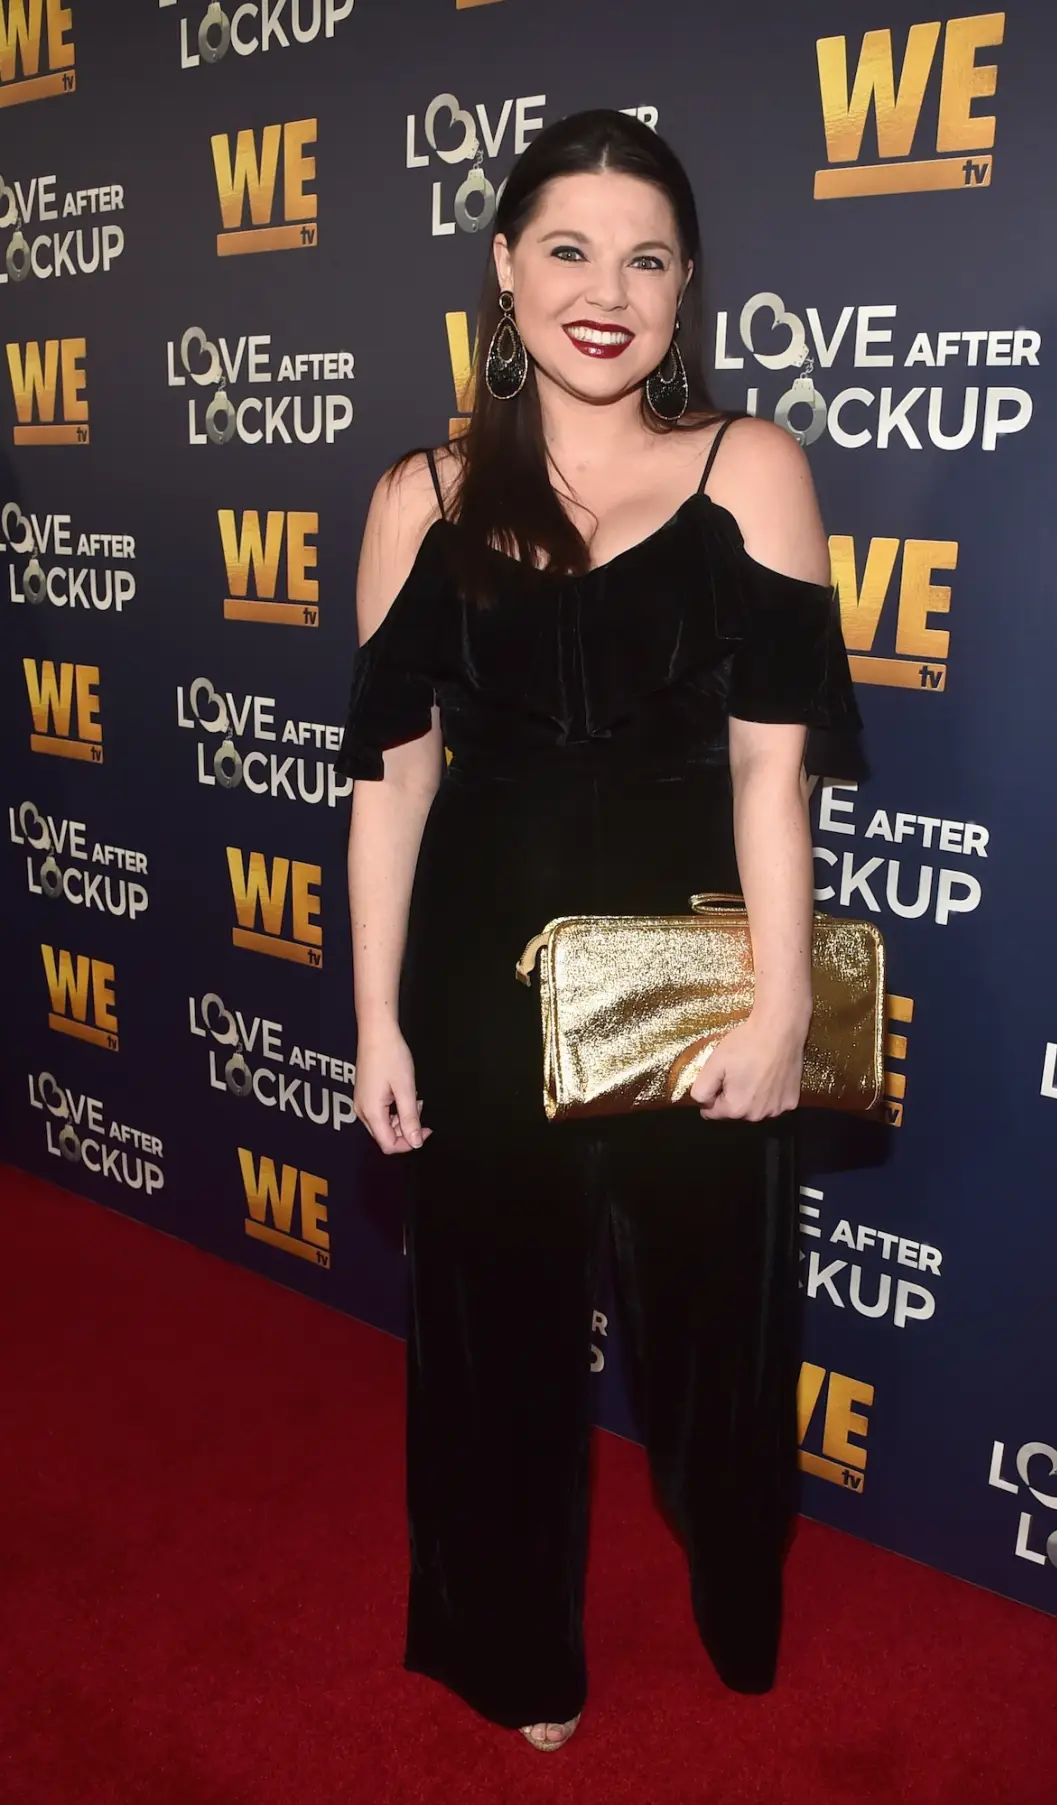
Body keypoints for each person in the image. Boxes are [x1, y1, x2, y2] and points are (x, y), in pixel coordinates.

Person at [334, 108, 862, 1753]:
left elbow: (774, 774)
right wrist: (376, 1019)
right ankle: (516, 1658)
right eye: (568, 249)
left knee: (719, 1332)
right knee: (488, 1343)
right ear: (504, 269)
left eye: (646, 260)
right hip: (478, 984)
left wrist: (782, 1011)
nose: (605, 292)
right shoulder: (416, 498)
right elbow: (392, 786)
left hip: (694, 984)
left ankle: (735, 1584)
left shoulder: (749, 468)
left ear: (686, 287)